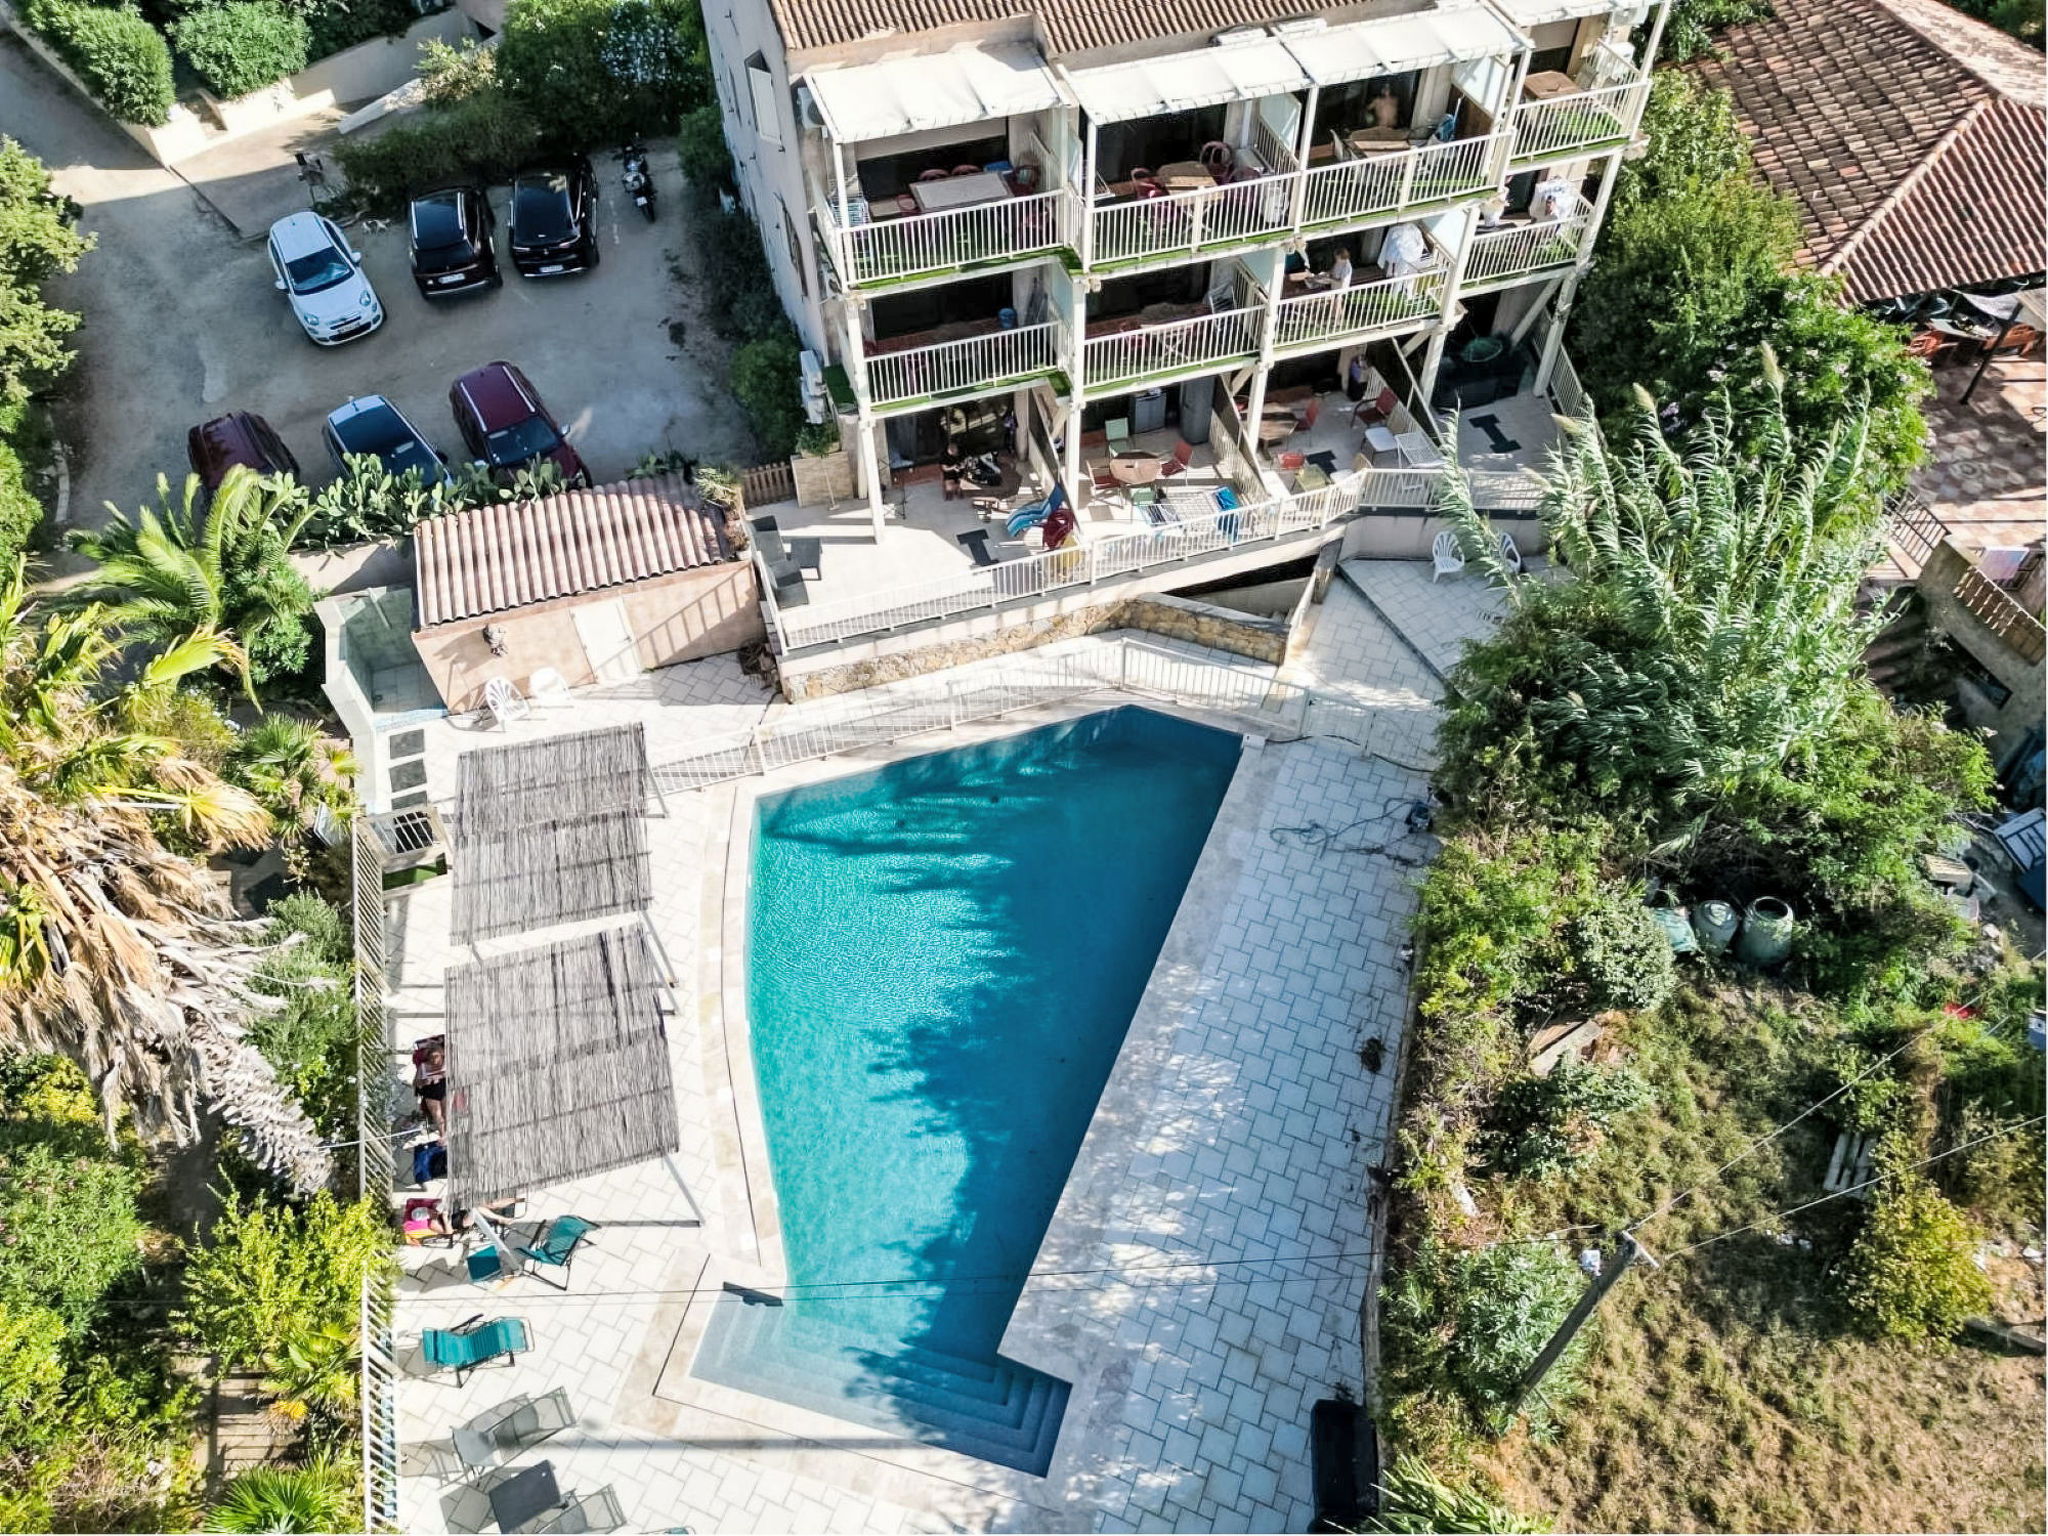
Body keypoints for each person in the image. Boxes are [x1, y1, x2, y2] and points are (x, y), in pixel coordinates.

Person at [414, 1044, 447, 1134]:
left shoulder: (447, 1063)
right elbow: (416, 1082)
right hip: (430, 1091)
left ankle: (448, 1134)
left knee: (446, 1114)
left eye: (436, 1056)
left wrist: (442, 1076)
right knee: (437, 1115)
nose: (434, 1059)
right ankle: (443, 1134)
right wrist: (424, 1081)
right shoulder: (423, 1066)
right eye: (431, 1057)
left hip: (445, 1089)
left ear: (441, 1055)